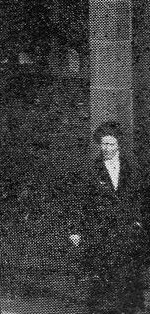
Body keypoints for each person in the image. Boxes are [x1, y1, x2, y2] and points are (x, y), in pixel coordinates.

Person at [69, 122, 146, 314]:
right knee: (103, 279)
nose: (106, 148)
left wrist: (139, 221)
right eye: (103, 144)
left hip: (127, 231)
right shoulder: (91, 170)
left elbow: (140, 197)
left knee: (128, 276)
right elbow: (80, 201)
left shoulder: (132, 169)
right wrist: (75, 230)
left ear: (118, 145)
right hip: (101, 231)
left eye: (110, 144)